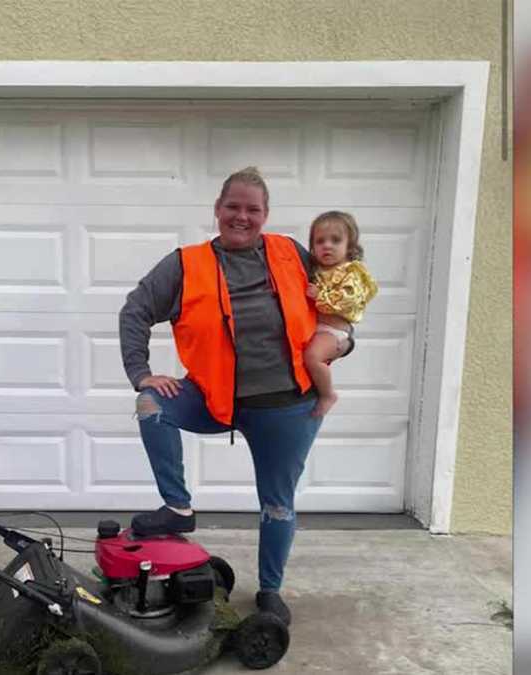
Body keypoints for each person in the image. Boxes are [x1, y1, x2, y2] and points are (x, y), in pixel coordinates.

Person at [118, 166, 327, 626]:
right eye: (233, 206)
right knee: (151, 405)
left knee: (277, 503)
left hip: (288, 405)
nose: (242, 216)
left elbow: (338, 302)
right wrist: (142, 373)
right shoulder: (185, 264)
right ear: (217, 210)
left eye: (253, 209)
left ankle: (270, 591)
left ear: (265, 214)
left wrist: (343, 341)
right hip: (216, 398)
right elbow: (135, 311)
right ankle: (177, 507)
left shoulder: (291, 253)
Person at [302, 211, 379, 418]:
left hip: (334, 330)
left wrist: (320, 296)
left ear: (350, 247)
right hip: (316, 328)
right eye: (320, 241)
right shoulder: (315, 270)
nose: (327, 245)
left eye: (335, 240)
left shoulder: (352, 272)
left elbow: (346, 301)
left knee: (312, 357)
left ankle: (328, 394)